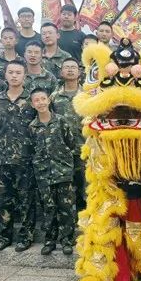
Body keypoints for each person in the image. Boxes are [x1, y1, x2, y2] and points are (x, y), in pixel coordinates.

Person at [0, 61, 36, 252]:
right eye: (11, 72)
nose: (14, 76)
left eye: (18, 72)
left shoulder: (32, 100)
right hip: (2, 159)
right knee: (3, 200)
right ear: (5, 75)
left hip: (26, 159)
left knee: (26, 200)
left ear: (24, 76)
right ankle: (4, 236)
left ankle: (26, 237)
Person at [28, 88, 77, 256]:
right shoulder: (32, 127)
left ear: (49, 100)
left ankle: (67, 240)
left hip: (63, 171)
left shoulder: (61, 121)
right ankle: (50, 240)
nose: (41, 102)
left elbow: (71, 143)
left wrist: (65, 163)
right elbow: (32, 148)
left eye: (43, 99)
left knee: (66, 207)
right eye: (36, 100)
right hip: (43, 173)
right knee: (48, 208)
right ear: (32, 104)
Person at [50, 58, 85, 211]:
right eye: (67, 67)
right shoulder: (54, 97)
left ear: (79, 72)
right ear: (61, 72)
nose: (70, 70)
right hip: (62, 151)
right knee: (66, 189)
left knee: (85, 186)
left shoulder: (87, 96)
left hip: (83, 149)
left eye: (73, 67)